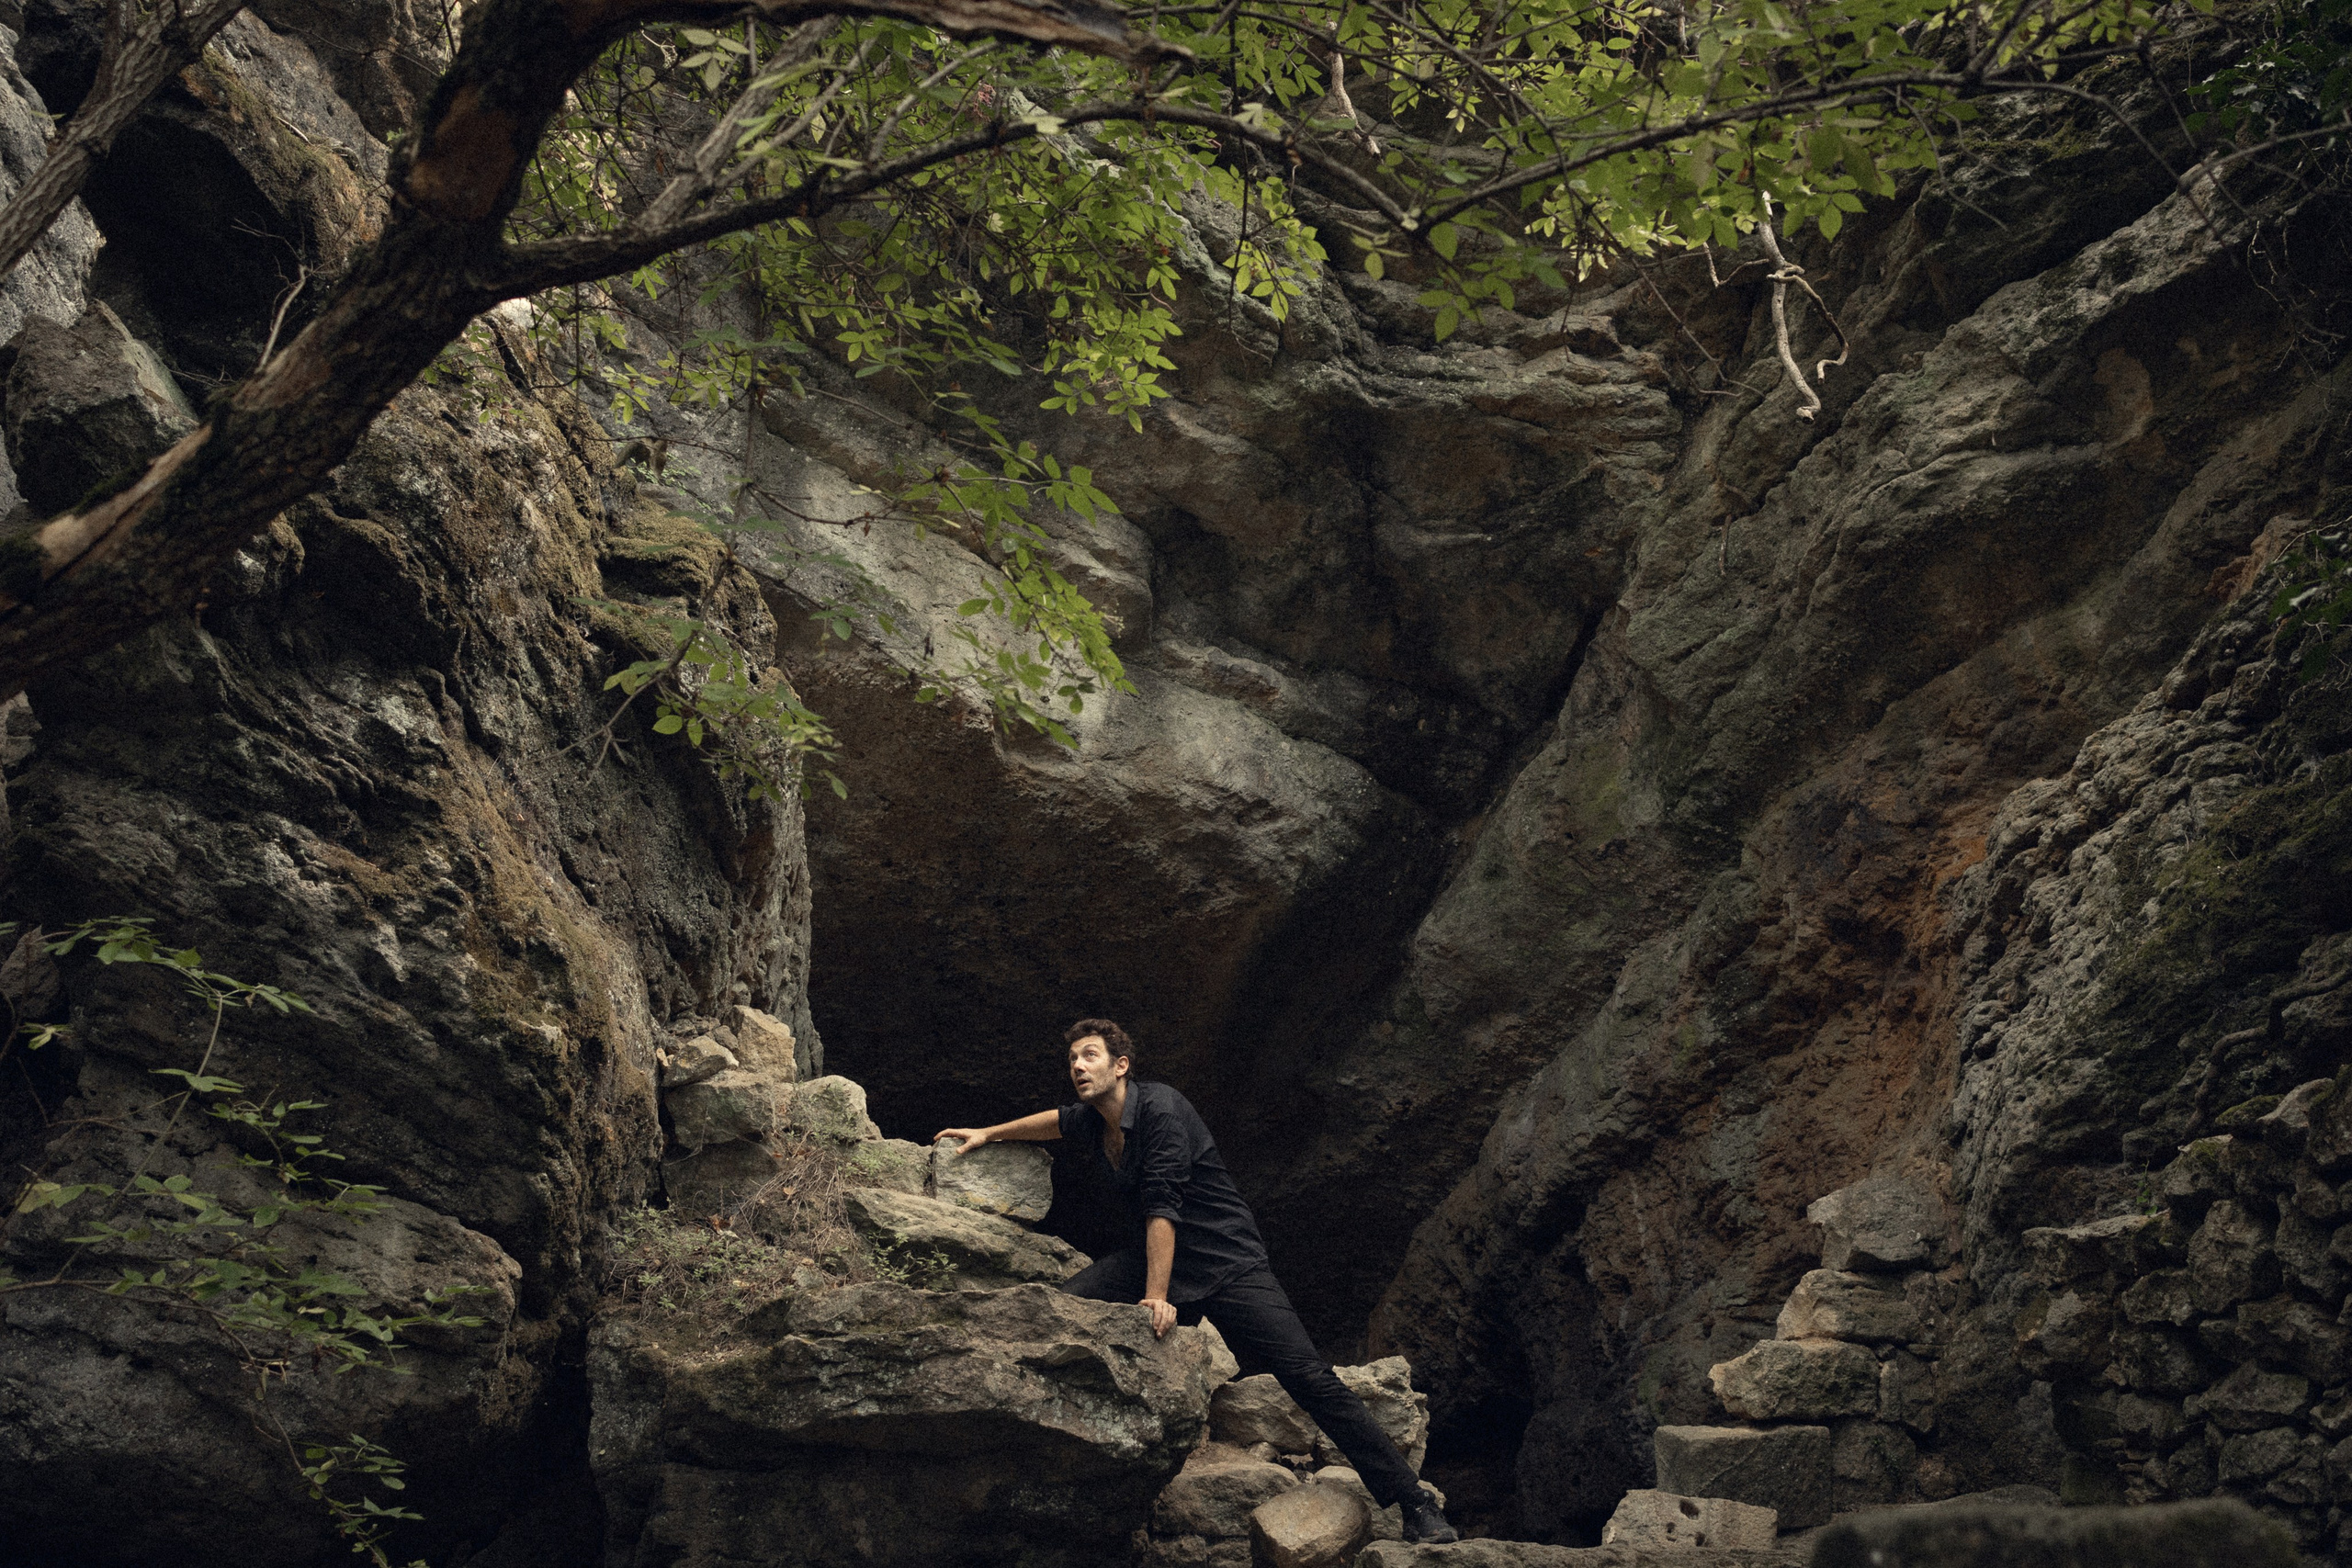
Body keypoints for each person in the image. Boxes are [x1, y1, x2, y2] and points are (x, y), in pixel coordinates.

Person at [938, 1018, 1460, 1544]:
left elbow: (1162, 1207)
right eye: (1072, 1059)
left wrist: (1156, 1297)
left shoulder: (1162, 1109)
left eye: (1090, 1055)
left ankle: (1415, 1503)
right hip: (1152, 1258)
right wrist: (989, 1133)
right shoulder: (1096, 1119)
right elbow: (1056, 1122)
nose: (1077, 1066)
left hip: (1226, 1261)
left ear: (1121, 1067)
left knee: (1309, 1378)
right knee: (1063, 1306)